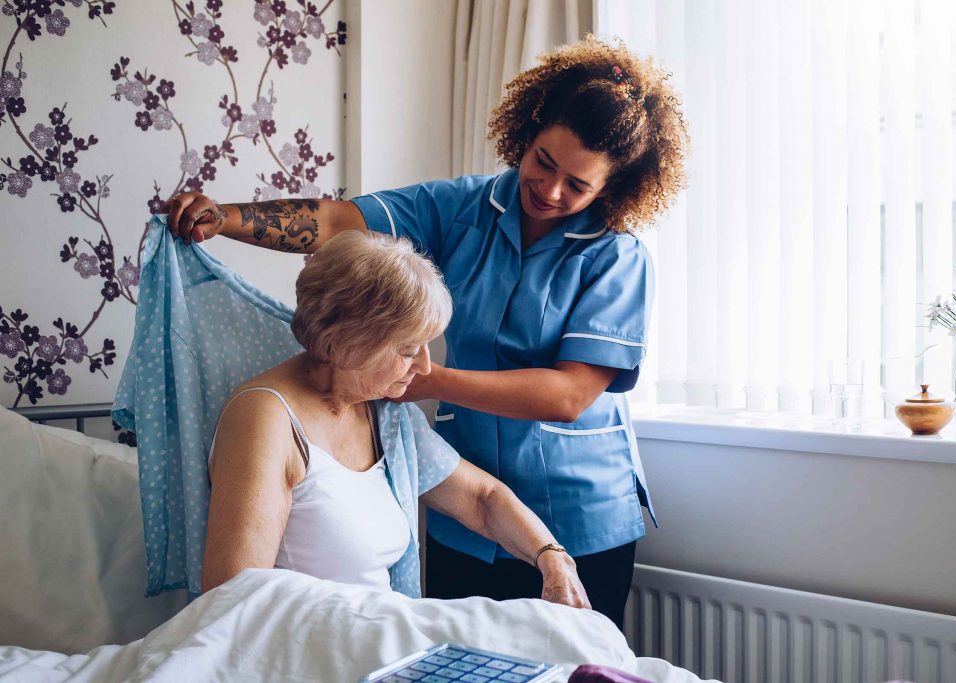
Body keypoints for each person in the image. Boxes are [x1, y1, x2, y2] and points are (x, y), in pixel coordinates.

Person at [170, 36, 689, 628]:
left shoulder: (617, 257)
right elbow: (341, 222)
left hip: (578, 513)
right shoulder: (461, 208)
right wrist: (228, 219)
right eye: (544, 162)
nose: (550, 190)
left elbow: (568, 395)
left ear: (613, 189)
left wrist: (421, 378)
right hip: (465, 515)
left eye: (577, 185)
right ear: (529, 131)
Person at [202, 229, 590, 611]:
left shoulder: (384, 413)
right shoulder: (266, 419)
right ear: (345, 342)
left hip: (376, 636)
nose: (424, 366)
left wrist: (551, 556)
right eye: (407, 350)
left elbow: (482, 498)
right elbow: (233, 599)